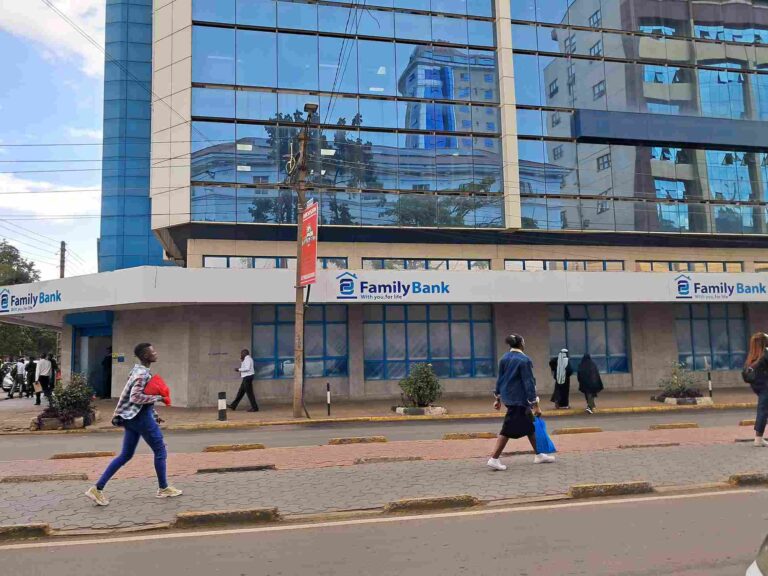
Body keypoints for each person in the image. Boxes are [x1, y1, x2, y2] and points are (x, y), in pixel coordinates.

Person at [85, 343, 182, 506]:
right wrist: (158, 399)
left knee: (126, 455)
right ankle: (163, 488)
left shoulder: (138, 371)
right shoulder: (142, 374)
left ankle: (97, 488)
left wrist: (154, 413)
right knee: (160, 450)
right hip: (140, 418)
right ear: (145, 356)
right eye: (153, 352)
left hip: (132, 417)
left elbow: (140, 399)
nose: (156, 353)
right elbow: (135, 397)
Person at [488, 334, 555, 471]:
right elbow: (528, 383)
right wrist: (535, 405)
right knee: (507, 430)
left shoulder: (504, 358)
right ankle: (494, 458)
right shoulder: (524, 360)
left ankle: (539, 454)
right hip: (519, 400)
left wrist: (498, 398)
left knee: (530, 426)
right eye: (524, 341)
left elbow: (500, 379)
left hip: (508, 398)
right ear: (521, 344)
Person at [744, 333, 768, 447]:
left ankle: (759, 438)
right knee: (763, 410)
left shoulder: (752, 355)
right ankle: (758, 438)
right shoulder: (765, 355)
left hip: (757, 386)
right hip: (765, 385)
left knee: (764, 409)